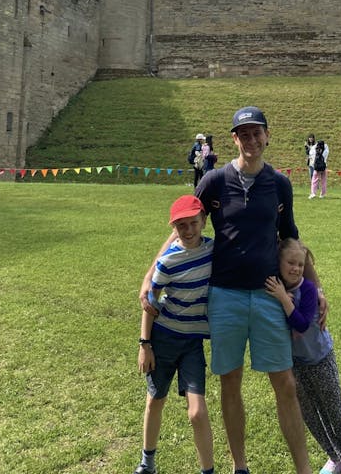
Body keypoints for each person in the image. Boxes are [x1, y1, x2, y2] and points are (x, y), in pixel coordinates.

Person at [141, 106, 324, 474]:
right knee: (230, 381)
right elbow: (184, 225)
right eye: (244, 134)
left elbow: (291, 239)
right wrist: (150, 275)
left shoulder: (280, 184)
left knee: (284, 383)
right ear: (234, 139)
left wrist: (315, 286)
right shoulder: (213, 182)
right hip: (225, 295)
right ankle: (240, 467)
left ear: (267, 136)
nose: (251, 140)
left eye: (257, 133)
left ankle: (303, 469)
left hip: (270, 293)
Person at [265, 238, 341, 474]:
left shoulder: (307, 289)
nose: (295, 269)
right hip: (296, 364)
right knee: (310, 415)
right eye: (290, 263)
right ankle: (335, 457)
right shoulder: (275, 288)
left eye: (300, 265)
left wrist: (283, 299)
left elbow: (300, 325)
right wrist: (279, 296)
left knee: (334, 412)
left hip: (320, 359)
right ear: (278, 262)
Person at [134, 194, 215, 474]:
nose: (189, 230)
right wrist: (145, 344)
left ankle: (208, 470)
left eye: (194, 223)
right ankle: (148, 462)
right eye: (182, 226)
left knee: (197, 412)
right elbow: (151, 303)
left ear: (204, 221)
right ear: (174, 228)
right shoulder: (167, 262)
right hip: (164, 338)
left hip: (192, 343)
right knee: (156, 399)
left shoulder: (213, 251)